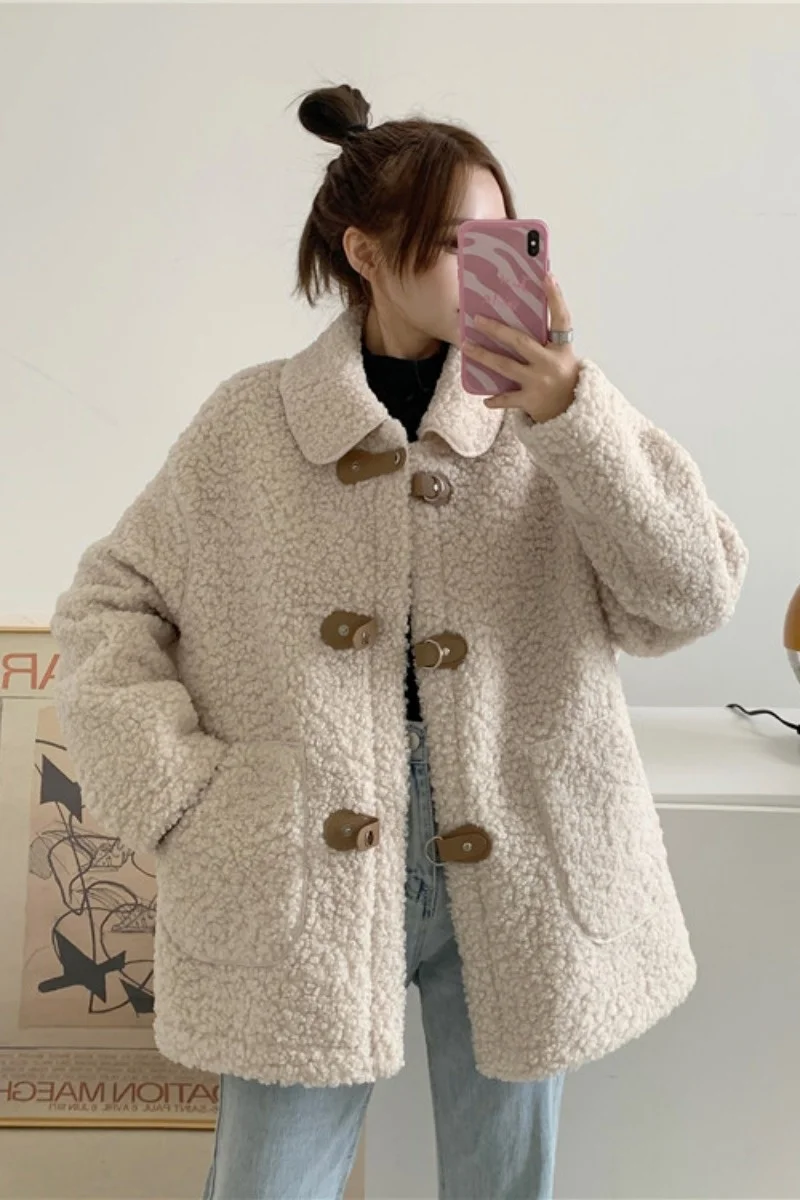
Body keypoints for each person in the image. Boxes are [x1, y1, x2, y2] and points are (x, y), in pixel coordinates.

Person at [50, 83, 749, 1200]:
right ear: (366, 253)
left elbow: (690, 596)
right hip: (292, 855)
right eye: (454, 244)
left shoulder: (554, 420)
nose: (491, 269)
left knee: (502, 1185)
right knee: (266, 1183)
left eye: (504, 239)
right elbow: (105, 607)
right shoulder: (250, 426)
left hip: (521, 846)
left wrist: (573, 413)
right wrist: (182, 795)